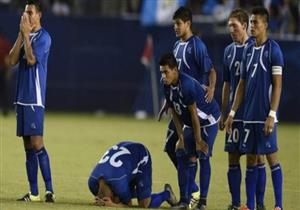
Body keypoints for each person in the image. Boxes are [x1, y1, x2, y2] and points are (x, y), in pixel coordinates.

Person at [225, 6, 284, 210]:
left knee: (271, 159)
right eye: (250, 23)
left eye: (255, 23)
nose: (252, 26)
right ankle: (248, 206)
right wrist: (232, 112)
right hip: (248, 116)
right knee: (251, 160)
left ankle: (278, 206)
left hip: (265, 116)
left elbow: (277, 85)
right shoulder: (248, 50)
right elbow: (241, 84)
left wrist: (272, 114)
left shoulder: (273, 50)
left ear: (265, 25)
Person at [158, 6, 217, 209]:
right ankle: (192, 189)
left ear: (188, 24)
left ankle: (195, 196)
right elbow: (172, 76)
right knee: (172, 147)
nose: (175, 27)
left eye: (178, 24)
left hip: (195, 105)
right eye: (174, 24)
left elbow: (211, 70)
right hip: (181, 104)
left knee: (193, 152)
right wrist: (169, 99)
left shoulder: (197, 46)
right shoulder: (176, 46)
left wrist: (211, 88)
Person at [8, 0, 54, 202]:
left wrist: (26, 35)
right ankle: (34, 193)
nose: (27, 16)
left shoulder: (44, 38)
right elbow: (11, 60)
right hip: (21, 99)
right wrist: (21, 34)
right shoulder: (25, 34)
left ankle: (49, 190)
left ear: (39, 15)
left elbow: (32, 59)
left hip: (35, 99)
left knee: (37, 144)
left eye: (31, 12)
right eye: (25, 12)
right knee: (27, 146)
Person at [220, 9, 266, 210]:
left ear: (245, 26)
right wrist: (223, 112)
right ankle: (236, 203)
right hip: (234, 114)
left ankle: (258, 203)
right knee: (233, 156)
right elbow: (227, 84)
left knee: (255, 158)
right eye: (229, 26)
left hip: (252, 113)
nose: (231, 30)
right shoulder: (228, 51)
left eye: (235, 26)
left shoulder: (254, 47)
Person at [88, 141, 178, 208]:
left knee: (144, 204)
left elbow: (128, 205)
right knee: (120, 196)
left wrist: (113, 205)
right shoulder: (92, 183)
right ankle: (139, 192)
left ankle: (167, 194)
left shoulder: (119, 184)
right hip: (125, 159)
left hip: (140, 155)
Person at [0, 27, 12, 116]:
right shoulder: (5, 43)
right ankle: (5, 111)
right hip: (3, 70)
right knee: (4, 91)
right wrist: (8, 71)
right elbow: (7, 59)